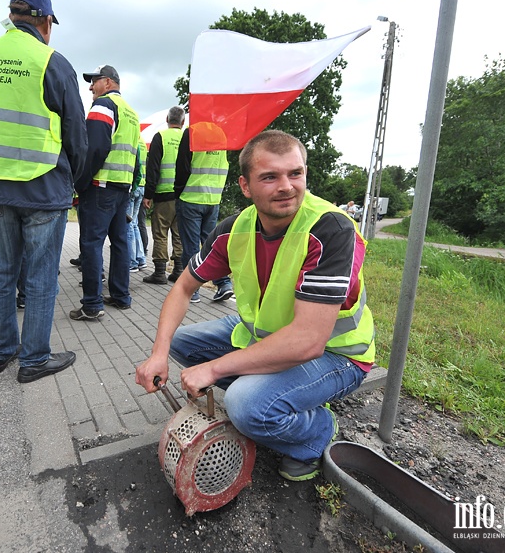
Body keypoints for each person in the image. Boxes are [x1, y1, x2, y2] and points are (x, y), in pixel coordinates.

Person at [136, 130, 375, 482]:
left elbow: (308, 341)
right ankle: (282, 394)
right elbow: (183, 287)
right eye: (270, 177)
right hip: (269, 340)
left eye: (295, 173)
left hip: (336, 355)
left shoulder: (330, 229)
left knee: (246, 406)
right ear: (245, 186)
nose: (287, 186)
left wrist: (215, 370)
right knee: (181, 343)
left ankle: (316, 431)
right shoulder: (234, 228)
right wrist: (158, 353)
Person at [0, 0, 87, 382]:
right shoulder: (50, 61)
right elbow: (75, 132)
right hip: (41, 185)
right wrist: (76, 181)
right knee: (39, 278)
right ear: (45, 21)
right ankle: (33, 358)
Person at [69, 64, 141, 320]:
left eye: (94, 81)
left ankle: (92, 305)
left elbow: (95, 149)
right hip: (122, 187)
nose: (90, 87)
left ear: (108, 82)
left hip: (100, 187)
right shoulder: (131, 112)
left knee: (91, 245)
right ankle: (121, 296)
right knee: (119, 243)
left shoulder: (103, 106)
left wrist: (81, 182)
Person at [174, 126, 233, 303]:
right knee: (213, 244)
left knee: (191, 246)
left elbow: (183, 166)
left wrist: (178, 192)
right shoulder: (222, 133)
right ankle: (223, 284)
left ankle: (192, 290)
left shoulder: (193, 132)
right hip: (213, 198)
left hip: (191, 196)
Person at [142, 106, 185, 285]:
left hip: (163, 194)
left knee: (160, 233)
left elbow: (153, 168)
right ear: (182, 122)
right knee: (179, 233)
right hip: (183, 195)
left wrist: (148, 195)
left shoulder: (160, 137)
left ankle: (159, 273)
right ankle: (178, 270)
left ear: (167, 119)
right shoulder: (188, 137)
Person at [127, 142, 147, 272]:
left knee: (128, 224)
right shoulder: (143, 144)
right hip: (142, 186)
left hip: (132, 187)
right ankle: (141, 259)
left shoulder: (131, 140)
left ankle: (131, 262)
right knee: (134, 224)